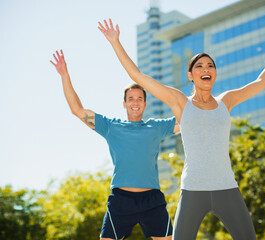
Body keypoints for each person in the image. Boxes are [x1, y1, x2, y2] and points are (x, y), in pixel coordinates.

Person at [98, 18, 265, 240]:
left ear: (215, 73)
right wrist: (115, 42)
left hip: (226, 186)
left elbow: (260, 82)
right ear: (190, 75)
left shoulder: (225, 101)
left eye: (210, 66)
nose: (205, 69)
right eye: (199, 66)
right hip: (192, 190)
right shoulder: (180, 102)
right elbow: (138, 76)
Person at [50, 49, 179, 240]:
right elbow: (77, 110)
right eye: (131, 99)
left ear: (145, 104)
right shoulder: (111, 126)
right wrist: (64, 75)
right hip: (121, 201)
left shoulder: (156, 127)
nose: (135, 102)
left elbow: (186, 120)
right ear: (124, 103)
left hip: (152, 200)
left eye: (139, 99)